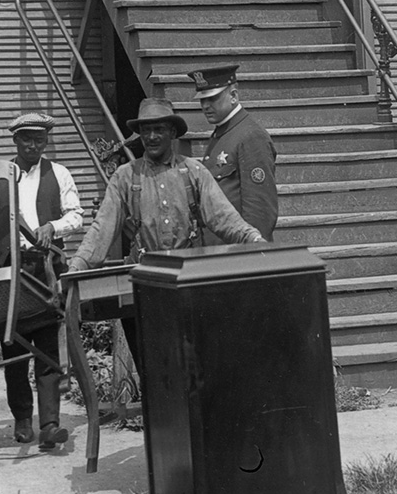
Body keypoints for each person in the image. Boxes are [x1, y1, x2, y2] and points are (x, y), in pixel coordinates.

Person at [66, 98, 266, 361]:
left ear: (172, 132)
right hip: (144, 286)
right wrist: (75, 270)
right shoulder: (126, 177)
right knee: (153, 371)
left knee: (195, 367)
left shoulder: (194, 172)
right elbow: (102, 229)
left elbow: (225, 219)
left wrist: (255, 240)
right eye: (146, 130)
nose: (151, 136)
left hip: (189, 284)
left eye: (159, 129)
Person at [0, 113, 83, 451]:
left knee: (47, 343)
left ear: (46, 141)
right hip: (10, 270)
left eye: (38, 139)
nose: (32, 145)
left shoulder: (59, 173)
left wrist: (54, 227)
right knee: (15, 345)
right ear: (15, 142)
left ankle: (50, 425)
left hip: (45, 268)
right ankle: (23, 420)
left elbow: (76, 215)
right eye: (26, 140)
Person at [190, 64, 278, 241]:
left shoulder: (251, 136)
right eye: (202, 100)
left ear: (233, 96)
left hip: (237, 253)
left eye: (213, 98)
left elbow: (260, 210)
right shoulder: (223, 133)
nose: (205, 106)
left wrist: (249, 255)